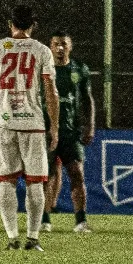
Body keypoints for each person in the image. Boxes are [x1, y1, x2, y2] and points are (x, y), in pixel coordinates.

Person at [0, 5, 59, 252]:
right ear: (34, 25)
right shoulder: (42, 50)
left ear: (9, 23)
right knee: (35, 183)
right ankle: (33, 239)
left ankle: (12, 238)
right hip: (33, 124)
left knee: (7, 182)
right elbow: (51, 92)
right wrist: (54, 126)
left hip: (4, 123)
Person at [41, 31, 95, 235]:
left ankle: (81, 221)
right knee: (47, 176)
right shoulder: (43, 69)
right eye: (56, 44)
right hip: (47, 131)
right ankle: (44, 220)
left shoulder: (79, 69)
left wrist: (90, 126)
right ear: (50, 46)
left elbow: (88, 99)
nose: (60, 48)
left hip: (71, 132)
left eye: (64, 44)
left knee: (77, 173)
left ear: (70, 46)